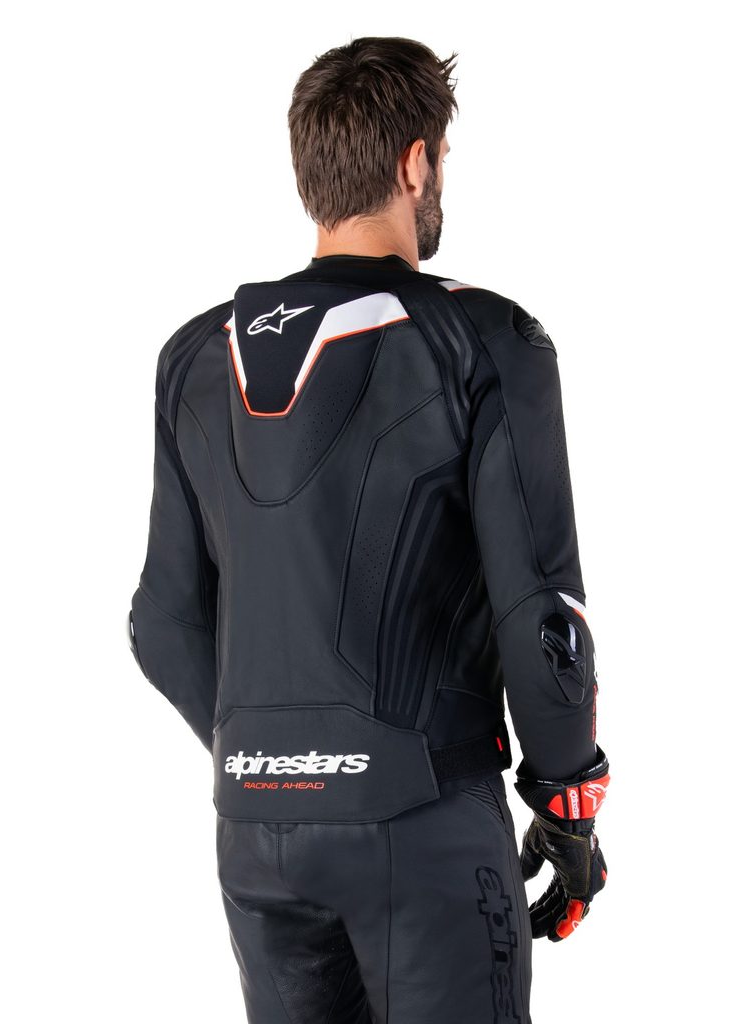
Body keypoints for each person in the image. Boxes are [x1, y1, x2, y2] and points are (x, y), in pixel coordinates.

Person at [127, 35, 610, 1024]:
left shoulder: (195, 356)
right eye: (442, 160)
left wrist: (280, 755)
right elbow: (543, 622)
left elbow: (162, 623)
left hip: (254, 828)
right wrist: (569, 806)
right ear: (415, 163)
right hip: (424, 818)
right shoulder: (485, 338)